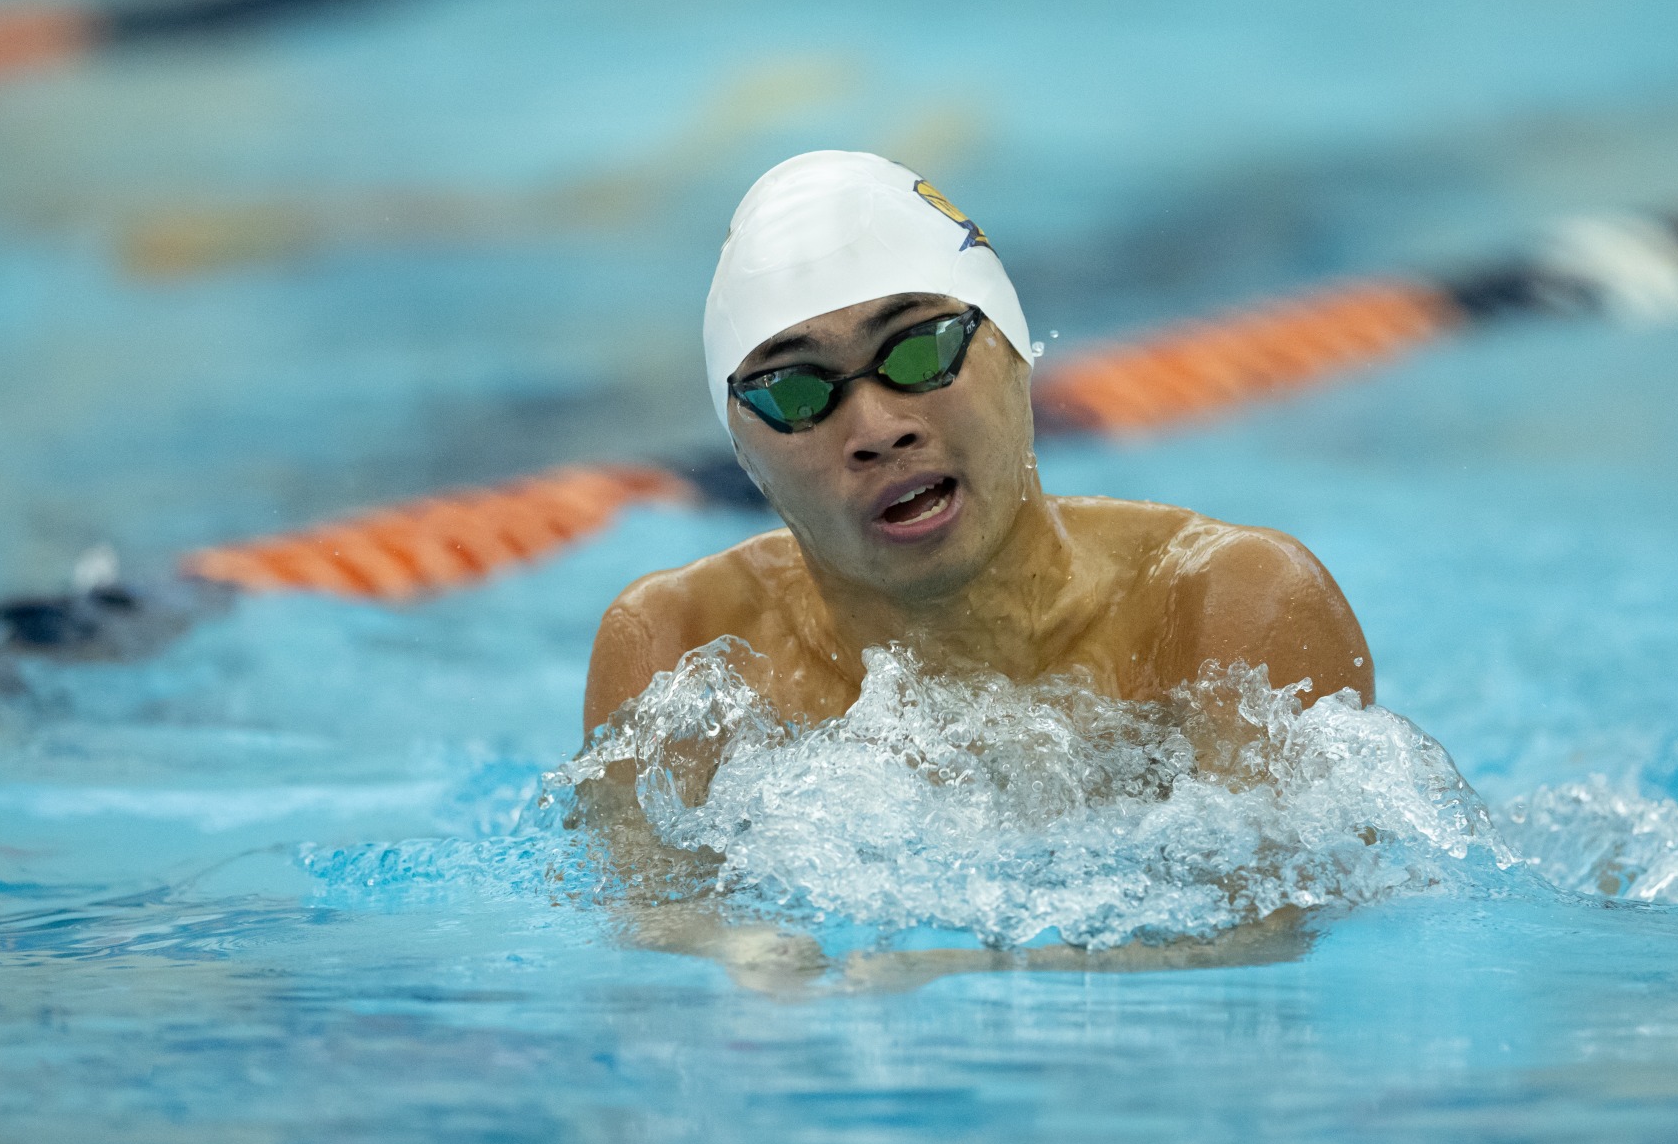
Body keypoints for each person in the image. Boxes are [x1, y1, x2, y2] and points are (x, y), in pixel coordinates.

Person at [584, 150, 1373, 748]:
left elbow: (1266, 940)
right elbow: (658, 940)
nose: (876, 428)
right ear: (742, 449)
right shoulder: (680, 651)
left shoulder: (1224, 610)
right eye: (796, 391)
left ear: (1017, 352)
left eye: (919, 349)